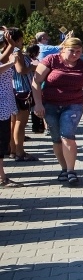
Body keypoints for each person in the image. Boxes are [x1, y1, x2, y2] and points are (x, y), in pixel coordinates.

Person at [32, 35, 83, 186]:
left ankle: (71, 171)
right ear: (63, 49)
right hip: (50, 104)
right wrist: (38, 104)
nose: (75, 54)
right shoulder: (51, 60)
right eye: (72, 51)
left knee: (67, 135)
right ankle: (64, 169)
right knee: (56, 138)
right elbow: (36, 81)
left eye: (78, 51)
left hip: (73, 105)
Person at [9, 29, 37, 161]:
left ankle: (13, 150)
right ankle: (20, 152)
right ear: (19, 39)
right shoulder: (16, 51)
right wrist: (32, 67)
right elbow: (21, 70)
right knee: (21, 123)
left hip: (13, 89)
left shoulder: (7, 50)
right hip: (22, 91)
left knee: (13, 122)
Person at [0, 28, 22, 187]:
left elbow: (5, 56)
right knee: (1, 142)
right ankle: (1, 178)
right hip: (1, 106)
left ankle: (2, 176)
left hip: (4, 105)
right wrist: (11, 62)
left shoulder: (3, 54)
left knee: (2, 142)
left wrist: (11, 43)